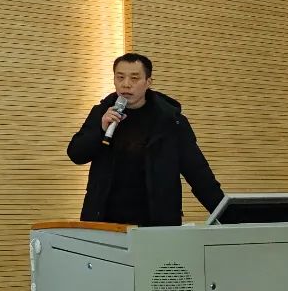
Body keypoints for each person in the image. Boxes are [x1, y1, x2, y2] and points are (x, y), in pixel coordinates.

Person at [67, 53, 224, 226]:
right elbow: (76, 154)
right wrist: (101, 129)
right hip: (104, 220)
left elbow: (198, 172)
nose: (126, 84)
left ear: (148, 82)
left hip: (156, 223)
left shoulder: (171, 121)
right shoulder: (102, 113)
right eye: (120, 77)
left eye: (134, 78)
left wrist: (228, 216)